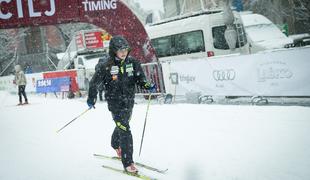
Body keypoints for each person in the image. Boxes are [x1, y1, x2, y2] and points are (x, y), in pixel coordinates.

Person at [87, 35, 155, 173]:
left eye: (125, 49)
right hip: (115, 103)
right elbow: (94, 83)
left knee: (124, 124)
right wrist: (91, 98)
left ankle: (114, 143)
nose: (124, 52)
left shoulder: (132, 63)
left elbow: (140, 79)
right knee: (125, 130)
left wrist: (147, 85)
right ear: (113, 51)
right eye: (120, 50)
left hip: (129, 101)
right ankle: (128, 162)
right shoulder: (106, 66)